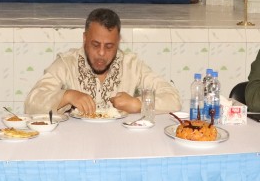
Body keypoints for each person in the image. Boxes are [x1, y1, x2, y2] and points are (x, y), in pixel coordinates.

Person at [24, 8, 180, 115]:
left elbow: (173, 99)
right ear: (85, 38)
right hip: (76, 146)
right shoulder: (66, 64)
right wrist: (67, 96)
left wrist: (137, 104)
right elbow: (31, 104)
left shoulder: (131, 66)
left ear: (118, 42)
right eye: (95, 44)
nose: (101, 53)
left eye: (109, 46)